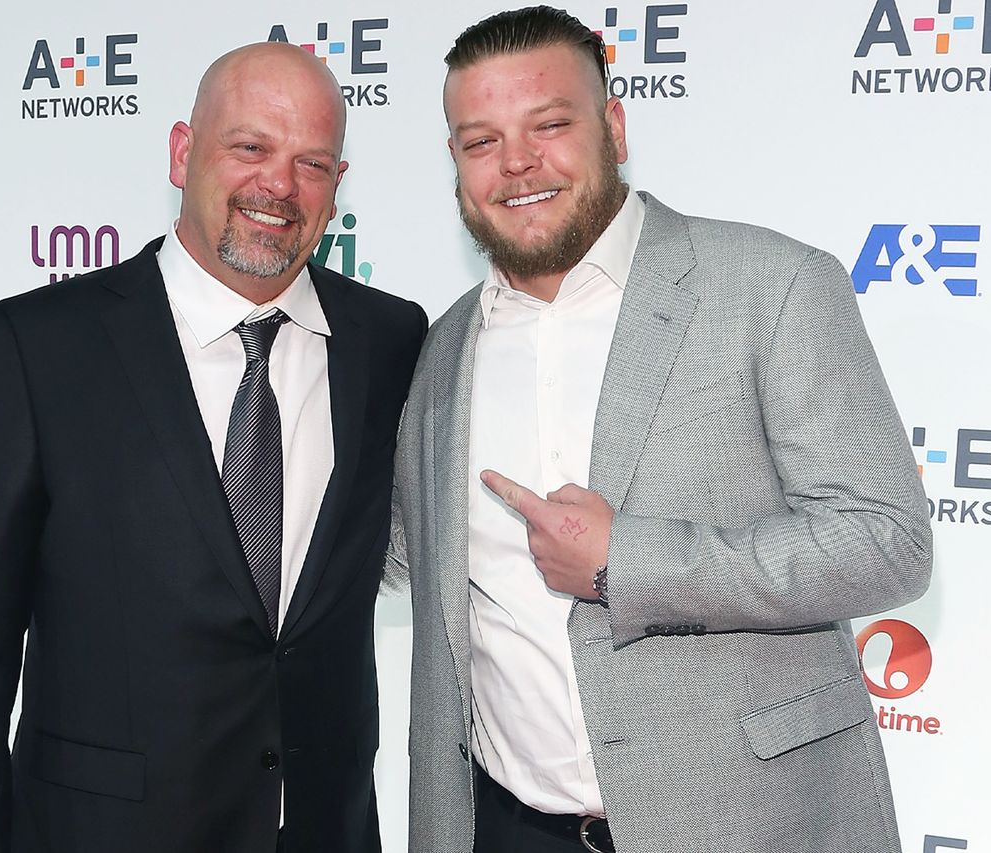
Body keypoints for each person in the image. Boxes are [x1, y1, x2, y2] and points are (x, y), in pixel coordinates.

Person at [389, 7, 932, 853]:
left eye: (550, 125)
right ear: (455, 161)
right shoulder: (442, 345)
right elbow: (396, 554)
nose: (518, 162)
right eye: (480, 140)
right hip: (501, 828)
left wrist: (624, 562)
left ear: (613, 125)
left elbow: (887, 539)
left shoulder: (773, 285)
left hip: (746, 825)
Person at [0, 42, 426, 853]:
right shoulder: (40, 346)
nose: (279, 186)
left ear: (337, 184)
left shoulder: (391, 338)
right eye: (249, 147)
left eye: (312, 163)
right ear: (184, 153)